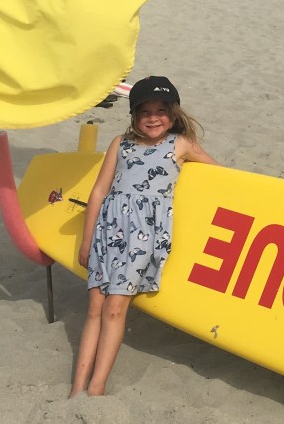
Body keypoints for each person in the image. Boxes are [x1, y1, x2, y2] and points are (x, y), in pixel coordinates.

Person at [70, 76, 216, 397]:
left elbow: (220, 176)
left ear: (173, 113)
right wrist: (86, 238)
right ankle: (76, 386)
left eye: (161, 110)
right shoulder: (120, 143)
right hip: (107, 232)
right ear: (134, 115)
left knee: (114, 308)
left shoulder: (180, 144)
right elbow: (98, 192)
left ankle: (96, 387)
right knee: (94, 308)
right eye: (145, 111)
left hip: (143, 237)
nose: (153, 118)